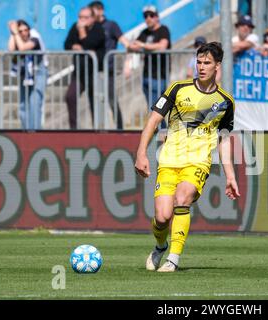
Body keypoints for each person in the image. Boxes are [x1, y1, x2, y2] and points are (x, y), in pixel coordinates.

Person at [135, 42, 240, 272]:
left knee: (182, 199)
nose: (201, 67)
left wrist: (229, 176)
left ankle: (173, 258)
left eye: (207, 63)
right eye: (199, 62)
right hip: (169, 160)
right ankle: (160, 247)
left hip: (197, 162)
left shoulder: (226, 101)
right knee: (162, 217)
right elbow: (153, 121)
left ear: (217, 66)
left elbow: (223, 140)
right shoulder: (177, 88)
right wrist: (141, 152)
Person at [89, 1, 130, 130]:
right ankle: (97, 129)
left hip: (108, 70)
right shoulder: (90, 27)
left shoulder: (111, 25)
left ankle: (120, 130)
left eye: (93, 11)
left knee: (112, 100)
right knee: (94, 101)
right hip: (93, 70)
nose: (91, 14)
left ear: (101, 11)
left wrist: (128, 63)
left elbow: (126, 43)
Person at [129, 5, 171, 129]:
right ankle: (163, 133)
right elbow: (133, 45)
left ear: (157, 17)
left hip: (159, 76)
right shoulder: (145, 33)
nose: (148, 18)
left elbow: (163, 45)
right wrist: (137, 46)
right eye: (146, 16)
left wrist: (143, 45)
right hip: (147, 76)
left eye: (151, 15)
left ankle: (163, 134)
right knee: (154, 110)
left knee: (156, 110)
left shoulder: (163, 30)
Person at [64, 6, 106, 129]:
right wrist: (74, 47)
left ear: (92, 18)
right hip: (79, 72)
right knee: (70, 96)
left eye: (85, 17)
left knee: (95, 100)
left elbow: (89, 44)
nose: (81, 20)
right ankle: (74, 129)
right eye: (80, 17)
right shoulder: (74, 27)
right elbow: (67, 44)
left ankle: (98, 129)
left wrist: (82, 32)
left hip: (94, 72)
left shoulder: (98, 28)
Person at [7, 20, 48, 130]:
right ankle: (26, 133)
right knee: (23, 105)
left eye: (26, 30)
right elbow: (11, 50)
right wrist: (12, 32)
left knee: (34, 103)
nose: (24, 33)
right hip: (24, 73)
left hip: (38, 72)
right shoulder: (17, 37)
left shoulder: (35, 36)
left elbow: (22, 48)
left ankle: (35, 134)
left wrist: (16, 33)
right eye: (21, 31)